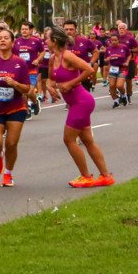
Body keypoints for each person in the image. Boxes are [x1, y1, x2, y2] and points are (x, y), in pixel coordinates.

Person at [47, 31, 113, 187]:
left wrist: (71, 83)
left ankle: (86, 177)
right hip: (75, 103)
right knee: (88, 140)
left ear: (55, 41)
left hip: (81, 101)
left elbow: (89, 70)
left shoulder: (67, 56)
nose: (45, 41)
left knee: (68, 140)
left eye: (47, 39)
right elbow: (51, 78)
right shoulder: (52, 59)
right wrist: (50, 87)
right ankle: (106, 176)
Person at [0, 24, 33, 187]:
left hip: (15, 107)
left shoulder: (20, 63)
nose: (2, 40)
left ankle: (8, 173)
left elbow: (27, 88)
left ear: (12, 42)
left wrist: (15, 84)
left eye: (6, 38)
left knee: (11, 143)